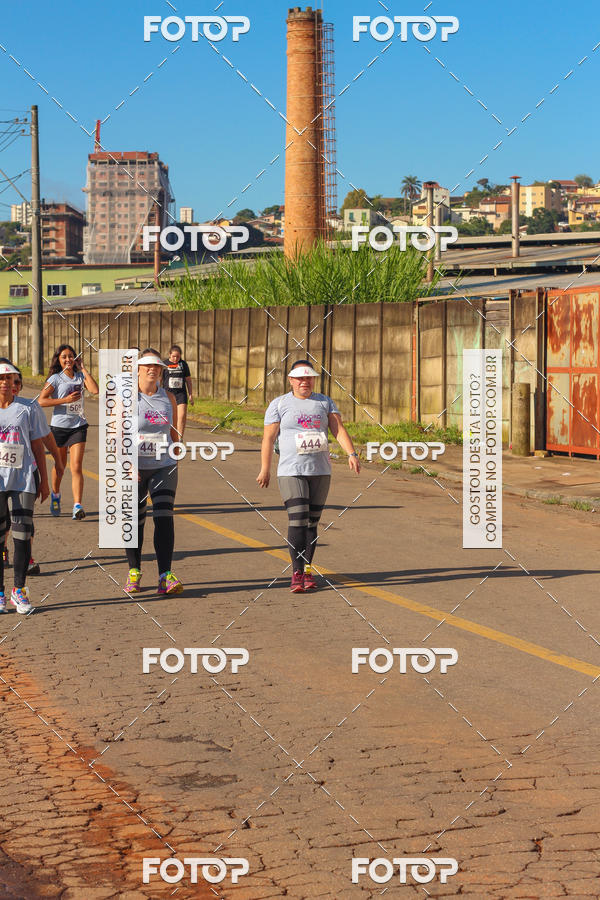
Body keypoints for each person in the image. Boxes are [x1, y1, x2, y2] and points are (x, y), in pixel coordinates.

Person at [257, 359, 361, 593]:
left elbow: (338, 429)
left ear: (313, 379)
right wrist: (265, 468)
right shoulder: (279, 403)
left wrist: (351, 453)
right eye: (300, 378)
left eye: (309, 378)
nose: (305, 382)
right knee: (298, 518)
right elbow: (268, 439)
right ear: (291, 380)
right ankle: (296, 572)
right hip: (291, 470)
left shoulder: (324, 402)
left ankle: (307, 569)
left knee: (312, 522)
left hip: (320, 470)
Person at [124, 348, 184, 596]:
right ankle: (134, 571)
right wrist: (127, 464)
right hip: (135, 468)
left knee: (163, 516)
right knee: (135, 521)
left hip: (164, 465)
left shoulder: (168, 397)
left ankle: (165, 575)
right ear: (137, 370)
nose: (152, 369)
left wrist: (177, 450)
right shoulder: (127, 399)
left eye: (157, 366)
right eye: (147, 365)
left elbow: (173, 433)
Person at [0, 360, 49, 614]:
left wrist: (45, 479)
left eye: (9, 378)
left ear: (15, 382)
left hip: (23, 479)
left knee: (22, 535)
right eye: (0, 378)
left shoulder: (28, 407)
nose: (5, 383)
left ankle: (18, 590)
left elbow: (38, 445)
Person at [8, 366, 64, 575]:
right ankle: (5, 549)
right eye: (5, 380)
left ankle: (26, 557)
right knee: (5, 522)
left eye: (16, 382)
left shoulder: (29, 409)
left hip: (25, 472)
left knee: (24, 520)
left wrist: (57, 461)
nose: (12, 386)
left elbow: (45, 438)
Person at [38, 344, 99, 519]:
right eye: (64, 357)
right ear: (58, 359)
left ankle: (77, 505)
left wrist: (84, 369)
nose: (68, 359)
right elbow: (41, 401)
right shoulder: (55, 379)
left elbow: (95, 390)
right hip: (59, 427)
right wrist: (64, 400)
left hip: (78, 426)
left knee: (77, 466)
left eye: (71, 356)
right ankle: (56, 495)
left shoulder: (80, 376)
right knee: (60, 466)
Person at [163, 345, 193, 439]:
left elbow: (188, 380)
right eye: (174, 356)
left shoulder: (183, 364)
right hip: (168, 394)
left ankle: (179, 440)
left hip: (181, 394)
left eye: (178, 357)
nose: (176, 358)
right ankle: (168, 437)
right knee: (169, 418)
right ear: (169, 355)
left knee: (182, 416)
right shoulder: (164, 364)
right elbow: (159, 380)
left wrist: (191, 394)